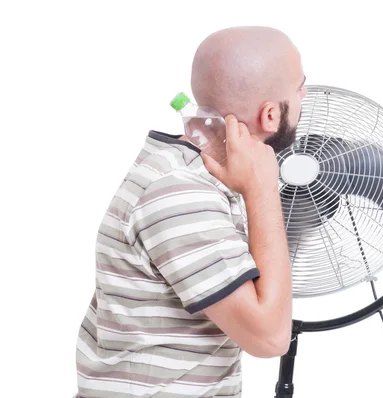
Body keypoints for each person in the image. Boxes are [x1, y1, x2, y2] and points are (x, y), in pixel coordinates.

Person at [74, 26, 307, 397]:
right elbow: (271, 338)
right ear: (269, 115)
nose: (304, 96)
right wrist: (263, 190)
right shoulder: (180, 193)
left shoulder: (202, 177)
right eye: (299, 89)